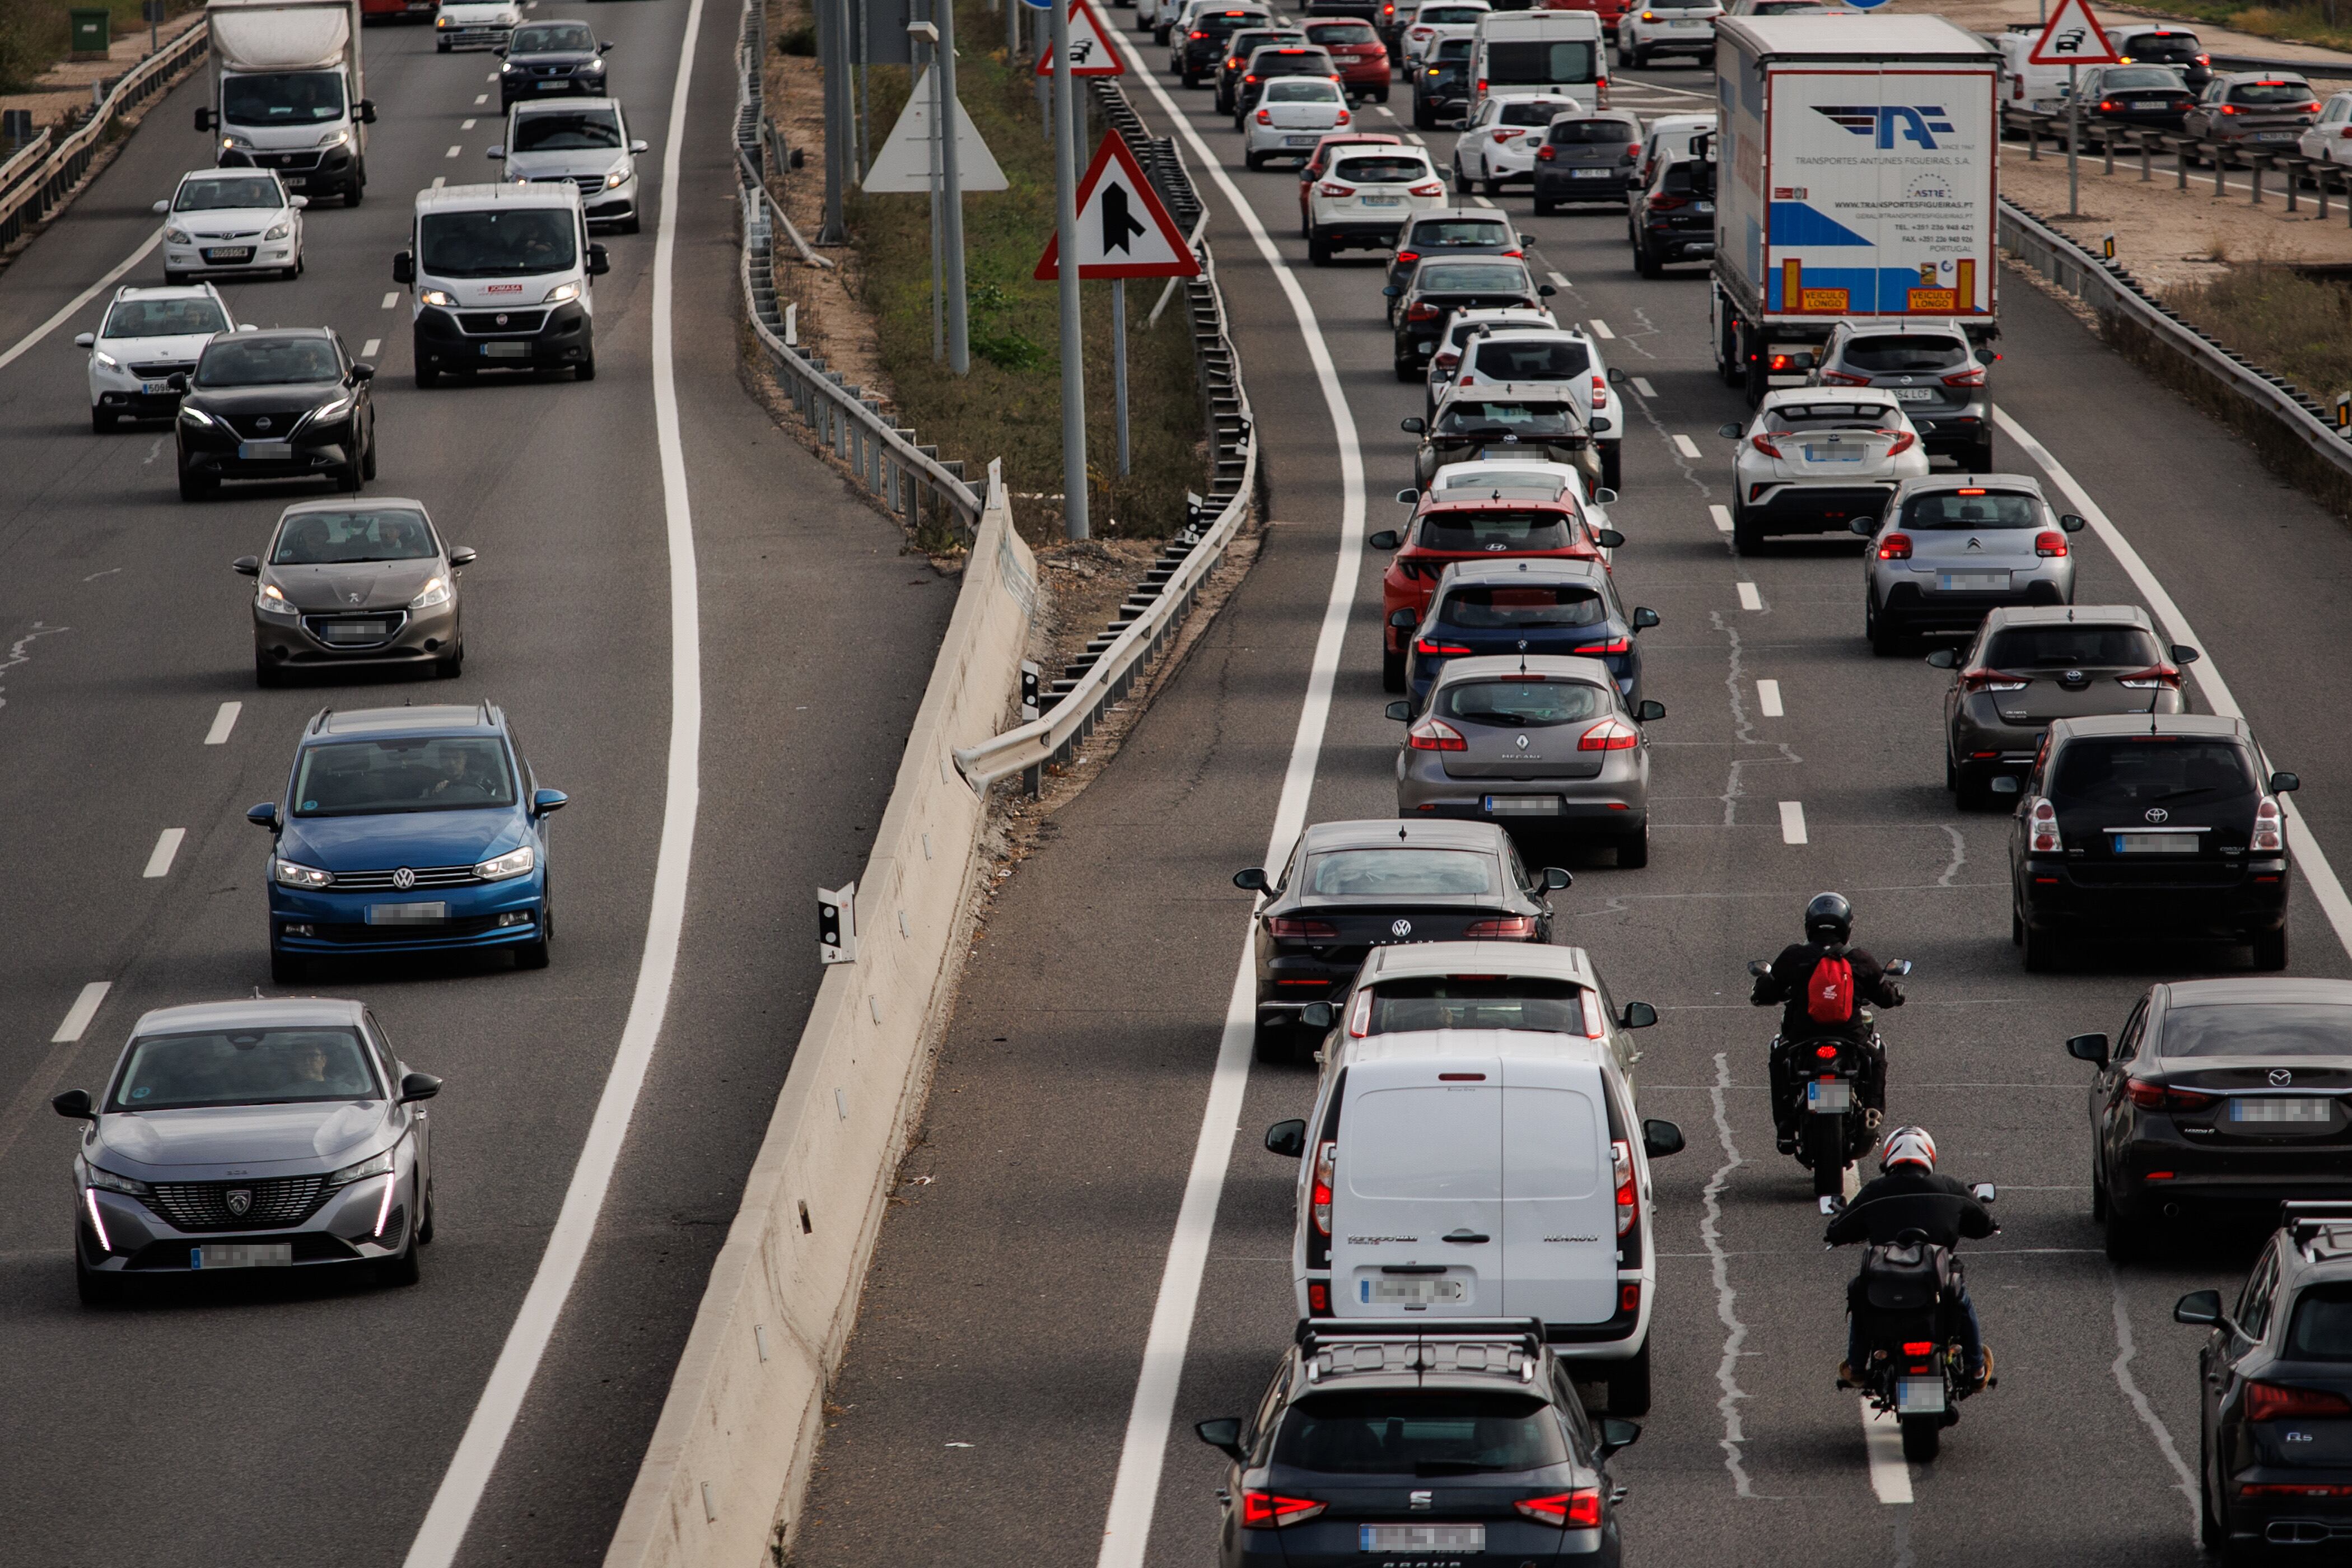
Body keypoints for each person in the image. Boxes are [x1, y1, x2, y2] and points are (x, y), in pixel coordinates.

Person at [1827, 1126, 1996, 1390]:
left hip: (1886, 1281)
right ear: (1929, 1156)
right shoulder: (1950, 1187)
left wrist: (1836, 1235)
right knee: (1960, 1296)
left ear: (1889, 1156)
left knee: (1860, 1294)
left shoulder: (1875, 1190)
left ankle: (1857, 1367)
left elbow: (1838, 1230)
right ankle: (1976, 1368)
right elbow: (1985, 1224)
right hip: (1936, 1280)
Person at [1749, 891, 1902, 1152]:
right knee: (1877, 1056)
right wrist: (1897, 994)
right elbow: (1886, 997)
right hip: (1851, 1036)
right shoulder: (1860, 959)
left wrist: (1761, 992)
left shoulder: (1795, 956)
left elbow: (1765, 993)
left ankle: (1786, 1125)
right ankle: (1872, 1112)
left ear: (1809, 926)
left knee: (1778, 1056)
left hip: (1802, 1036)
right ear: (1847, 927)